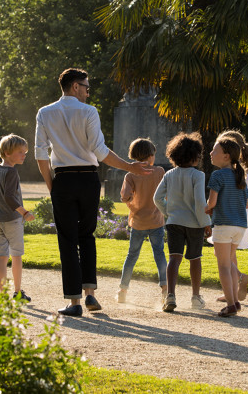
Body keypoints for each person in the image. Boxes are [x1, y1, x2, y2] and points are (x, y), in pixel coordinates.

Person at [35, 68, 152, 316]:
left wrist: (51, 185)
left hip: (63, 179)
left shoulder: (45, 113)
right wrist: (128, 166)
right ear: (75, 86)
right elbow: (100, 151)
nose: (89, 91)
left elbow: (40, 154)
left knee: (67, 241)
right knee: (87, 235)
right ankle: (90, 295)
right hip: (89, 178)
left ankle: (74, 302)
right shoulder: (89, 112)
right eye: (87, 87)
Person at [154, 132, 211, 312]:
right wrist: (206, 223)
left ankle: (170, 295)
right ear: (196, 156)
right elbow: (200, 203)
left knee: (174, 259)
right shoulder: (198, 175)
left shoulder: (169, 174)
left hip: (174, 223)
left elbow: (157, 198)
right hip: (194, 224)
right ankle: (195, 297)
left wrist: (169, 213)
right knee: (195, 259)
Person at [117, 138, 167, 305]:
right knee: (159, 254)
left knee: (132, 256)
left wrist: (132, 202)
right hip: (157, 221)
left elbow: (125, 196)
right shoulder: (159, 171)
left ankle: (123, 290)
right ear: (151, 156)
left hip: (138, 221)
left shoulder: (130, 175)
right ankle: (165, 289)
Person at [0, 133, 35, 301]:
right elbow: (9, 197)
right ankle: (17, 292)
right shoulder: (12, 172)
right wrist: (25, 213)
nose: (24, 155)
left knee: (1, 258)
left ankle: (2, 295)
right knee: (16, 256)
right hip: (12, 221)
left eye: (25, 152)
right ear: (7, 153)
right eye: (20, 152)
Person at [206, 138, 248, 317]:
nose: (210, 153)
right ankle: (235, 302)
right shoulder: (240, 176)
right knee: (230, 263)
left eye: (214, 151)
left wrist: (205, 208)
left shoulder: (217, 175)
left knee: (223, 265)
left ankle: (231, 304)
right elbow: (246, 204)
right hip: (239, 226)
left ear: (225, 156)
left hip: (223, 224)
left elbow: (212, 202)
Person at [211, 130, 248, 303]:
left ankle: (236, 282)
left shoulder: (229, 172)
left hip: (227, 214)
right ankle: (233, 289)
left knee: (224, 256)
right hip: (238, 216)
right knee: (228, 253)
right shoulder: (239, 171)